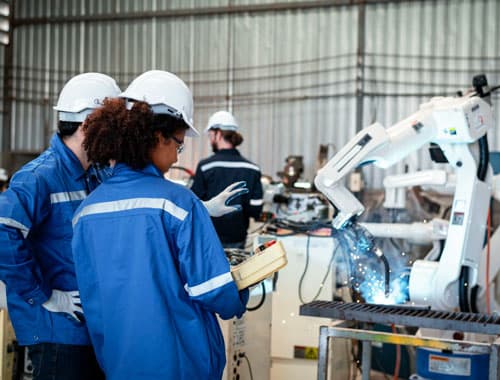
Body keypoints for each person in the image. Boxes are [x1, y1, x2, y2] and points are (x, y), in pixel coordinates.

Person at [71, 70, 249, 380]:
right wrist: (246, 285)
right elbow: (216, 293)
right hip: (180, 365)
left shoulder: (86, 213)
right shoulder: (179, 203)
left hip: (117, 365)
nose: (177, 153)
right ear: (157, 137)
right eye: (179, 144)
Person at [0, 72, 121, 379]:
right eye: (113, 127)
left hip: (89, 326)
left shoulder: (95, 174)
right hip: (57, 332)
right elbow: (3, 230)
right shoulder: (39, 176)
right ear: (89, 124)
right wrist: (44, 295)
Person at [191, 110, 264, 248]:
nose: (210, 139)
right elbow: (256, 209)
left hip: (208, 238)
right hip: (237, 239)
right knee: (234, 269)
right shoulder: (252, 168)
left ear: (218, 134)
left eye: (210, 135)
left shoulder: (206, 166)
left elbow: (194, 203)